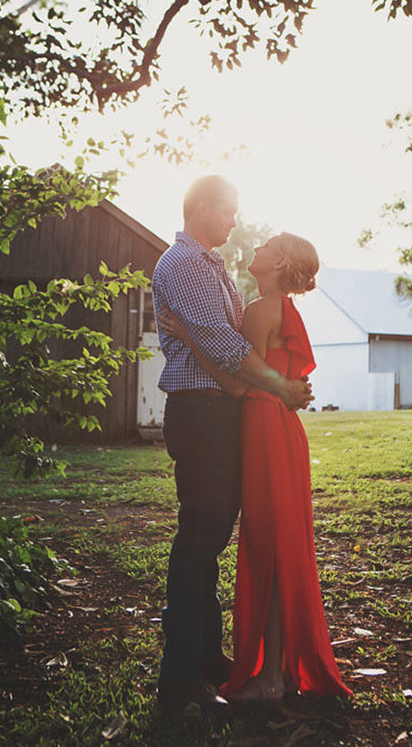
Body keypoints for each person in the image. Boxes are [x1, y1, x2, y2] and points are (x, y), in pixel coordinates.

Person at [161, 231, 352, 704]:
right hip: (281, 432)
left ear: (279, 260)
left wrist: (187, 333)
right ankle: (281, 671)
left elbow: (234, 381)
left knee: (268, 547)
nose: (258, 249)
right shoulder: (283, 310)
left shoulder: (257, 310)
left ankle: (269, 677)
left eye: (267, 245)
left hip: (264, 431)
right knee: (281, 546)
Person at [152, 176, 312, 714]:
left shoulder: (212, 266)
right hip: (202, 414)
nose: (235, 222)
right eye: (228, 211)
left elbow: (230, 345)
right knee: (200, 538)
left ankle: (205, 658)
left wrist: (250, 383)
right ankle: (179, 680)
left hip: (222, 412)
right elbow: (227, 348)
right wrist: (281, 388)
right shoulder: (189, 266)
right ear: (200, 208)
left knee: (211, 537)